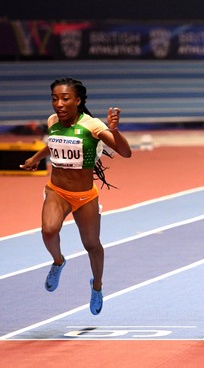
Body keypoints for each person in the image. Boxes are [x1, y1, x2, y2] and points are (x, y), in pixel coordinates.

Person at [21, 77, 132, 315]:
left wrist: (114, 130)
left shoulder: (92, 126)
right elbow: (54, 143)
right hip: (57, 190)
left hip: (84, 196)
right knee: (49, 231)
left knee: (92, 245)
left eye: (65, 98)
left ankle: (97, 286)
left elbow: (126, 152)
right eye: (54, 98)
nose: (58, 104)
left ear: (78, 101)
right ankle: (59, 261)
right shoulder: (52, 121)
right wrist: (36, 157)